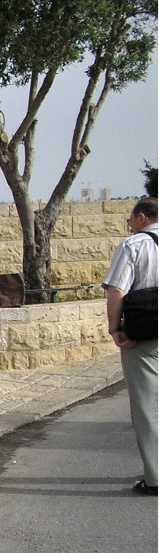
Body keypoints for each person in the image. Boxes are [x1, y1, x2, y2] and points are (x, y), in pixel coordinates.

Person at [103, 197, 158, 496]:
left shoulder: (134, 245)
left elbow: (117, 289)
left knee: (147, 407)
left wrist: (115, 329)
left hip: (146, 335)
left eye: (130, 220)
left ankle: (155, 478)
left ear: (140, 218)